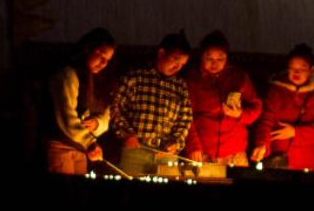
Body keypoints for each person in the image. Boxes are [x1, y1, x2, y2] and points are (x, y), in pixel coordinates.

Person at [111, 30, 193, 176]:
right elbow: (115, 106)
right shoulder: (135, 77)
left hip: (166, 156)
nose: (177, 67)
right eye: (175, 60)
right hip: (135, 152)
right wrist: (126, 133)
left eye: (182, 64)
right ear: (161, 53)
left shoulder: (180, 86)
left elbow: (185, 119)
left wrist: (176, 141)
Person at [251, 43, 314, 171]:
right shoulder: (276, 91)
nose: (296, 72)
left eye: (302, 68)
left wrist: (295, 132)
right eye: (292, 68)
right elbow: (266, 120)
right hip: (280, 161)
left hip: (313, 161)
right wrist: (262, 144)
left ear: (311, 69)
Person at [183, 30, 262, 166]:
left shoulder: (238, 77)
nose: (214, 63)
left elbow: (256, 107)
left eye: (220, 58)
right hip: (202, 152)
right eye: (209, 58)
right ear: (201, 57)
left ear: (227, 58)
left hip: (234, 153)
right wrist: (193, 146)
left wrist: (241, 114)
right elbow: (187, 115)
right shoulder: (193, 79)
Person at [45, 27, 117, 175]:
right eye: (101, 55)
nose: (103, 63)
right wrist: (89, 143)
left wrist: (97, 123)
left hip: (81, 148)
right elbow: (66, 116)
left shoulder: (100, 81)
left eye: (108, 60)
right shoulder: (68, 75)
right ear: (87, 49)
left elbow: (106, 114)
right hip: (61, 146)